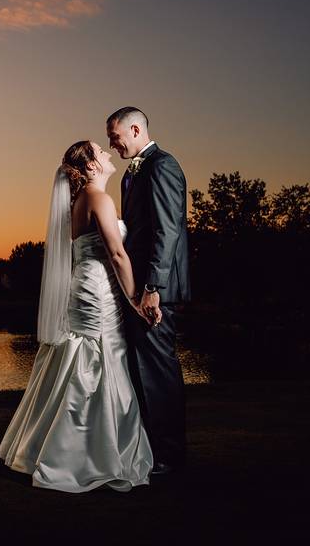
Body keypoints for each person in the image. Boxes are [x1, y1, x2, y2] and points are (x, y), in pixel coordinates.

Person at [0, 140, 154, 492]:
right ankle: (78, 456)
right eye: (101, 151)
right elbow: (116, 253)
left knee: (80, 360)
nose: (108, 153)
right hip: (99, 290)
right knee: (97, 360)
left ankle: (51, 446)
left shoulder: (79, 202)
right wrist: (136, 300)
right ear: (92, 167)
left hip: (86, 285)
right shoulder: (98, 198)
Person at [106, 106, 190, 475]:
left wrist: (153, 286)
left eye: (115, 135)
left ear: (135, 129)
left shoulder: (162, 166)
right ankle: (149, 452)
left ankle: (170, 457)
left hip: (157, 290)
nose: (112, 143)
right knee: (141, 371)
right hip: (138, 287)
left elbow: (167, 230)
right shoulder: (135, 171)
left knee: (158, 372)